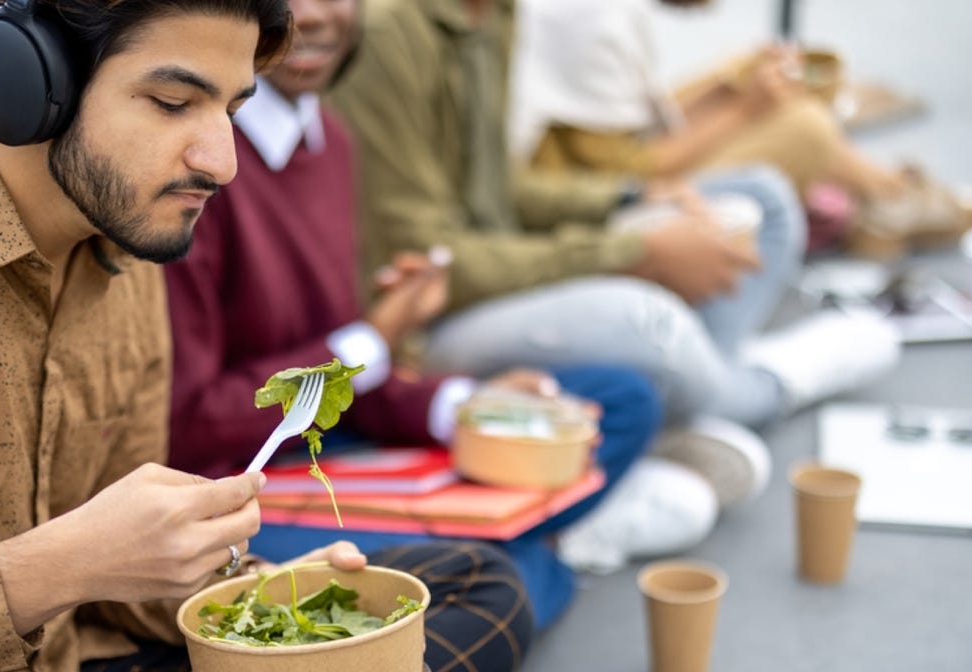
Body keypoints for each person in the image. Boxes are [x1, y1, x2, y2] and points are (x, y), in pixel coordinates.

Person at [0, 2, 530, 671]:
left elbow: (124, 576)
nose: (223, 163)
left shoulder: (131, 251)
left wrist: (256, 594)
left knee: (477, 584)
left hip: (87, 652)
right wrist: (50, 569)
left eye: (232, 110)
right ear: (28, 82)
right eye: (174, 103)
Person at [163, 0, 711, 628]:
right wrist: (372, 341)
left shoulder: (331, 140)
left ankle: (514, 542)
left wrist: (459, 406)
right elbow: (195, 426)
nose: (310, 14)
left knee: (620, 400)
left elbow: (354, 377)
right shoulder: (199, 170)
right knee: (496, 580)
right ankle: (535, 548)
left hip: (334, 438)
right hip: (244, 484)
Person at [328, 0, 902, 540]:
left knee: (762, 199)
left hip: (504, 260)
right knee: (648, 319)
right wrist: (631, 251)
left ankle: (699, 402)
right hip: (426, 322)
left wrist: (628, 198)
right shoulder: (389, 32)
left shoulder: (495, 9)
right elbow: (424, 259)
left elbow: (501, 187)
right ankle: (768, 387)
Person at [508, 0, 972, 259]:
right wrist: (743, 110)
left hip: (583, 172)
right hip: (574, 212)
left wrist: (728, 87)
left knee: (757, 80)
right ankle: (886, 197)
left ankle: (883, 194)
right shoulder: (598, 16)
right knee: (806, 129)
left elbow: (627, 127)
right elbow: (630, 172)